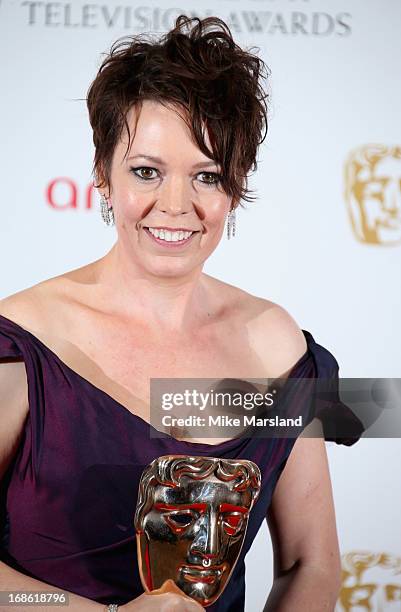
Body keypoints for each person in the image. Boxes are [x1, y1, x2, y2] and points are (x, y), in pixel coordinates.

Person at [0, 14, 364, 612]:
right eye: (147, 171)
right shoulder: (25, 344)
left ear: (234, 188)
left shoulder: (278, 346)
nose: (175, 206)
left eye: (207, 176)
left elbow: (311, 564)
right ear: (102, 176)